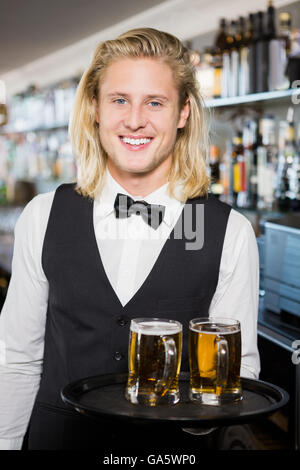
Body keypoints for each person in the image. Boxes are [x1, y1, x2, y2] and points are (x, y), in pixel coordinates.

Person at [0, 28, 260, 451]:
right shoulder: (44, 215)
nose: (135, 119)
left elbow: (238, 368)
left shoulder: (229, 231)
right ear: (95, 109)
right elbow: (16, 359)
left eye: (154, 102)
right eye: (119, 99)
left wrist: (193, 422)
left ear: (182, 113)